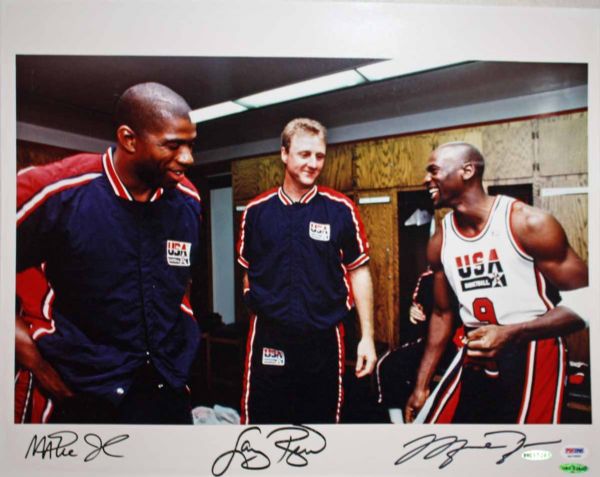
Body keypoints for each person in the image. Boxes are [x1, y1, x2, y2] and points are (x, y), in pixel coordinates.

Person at [16, 82, 202, 424]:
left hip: (165, 387)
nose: (188, 159)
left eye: (190, 145)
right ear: (129, 139)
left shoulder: (187, 200)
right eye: (173, 146)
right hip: (82, 390)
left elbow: (179, 281)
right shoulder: (58, 191)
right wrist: (35, 362)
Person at [404, 142, 588, 424]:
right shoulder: (441, 239)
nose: (425, 179)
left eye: (434, 170)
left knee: (523, 450)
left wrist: (511, 333)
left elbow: (589, 301)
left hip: (534, 347)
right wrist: (421, 385)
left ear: (467, 171)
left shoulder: (526, 223)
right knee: (438, 434)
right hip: (476, 345)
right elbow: (442, 314)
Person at [237, 118, 377, 424]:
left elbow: (359, 271)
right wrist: (255, 298)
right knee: (263, 424)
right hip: (270, 337)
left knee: (320, 425)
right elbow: (247, 267)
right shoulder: (257, 212)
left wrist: (367, 337)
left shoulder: (340, 209)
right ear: (285, 154)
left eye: (319, 156)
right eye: (304, 154)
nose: (313, 163)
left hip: (323, 339)